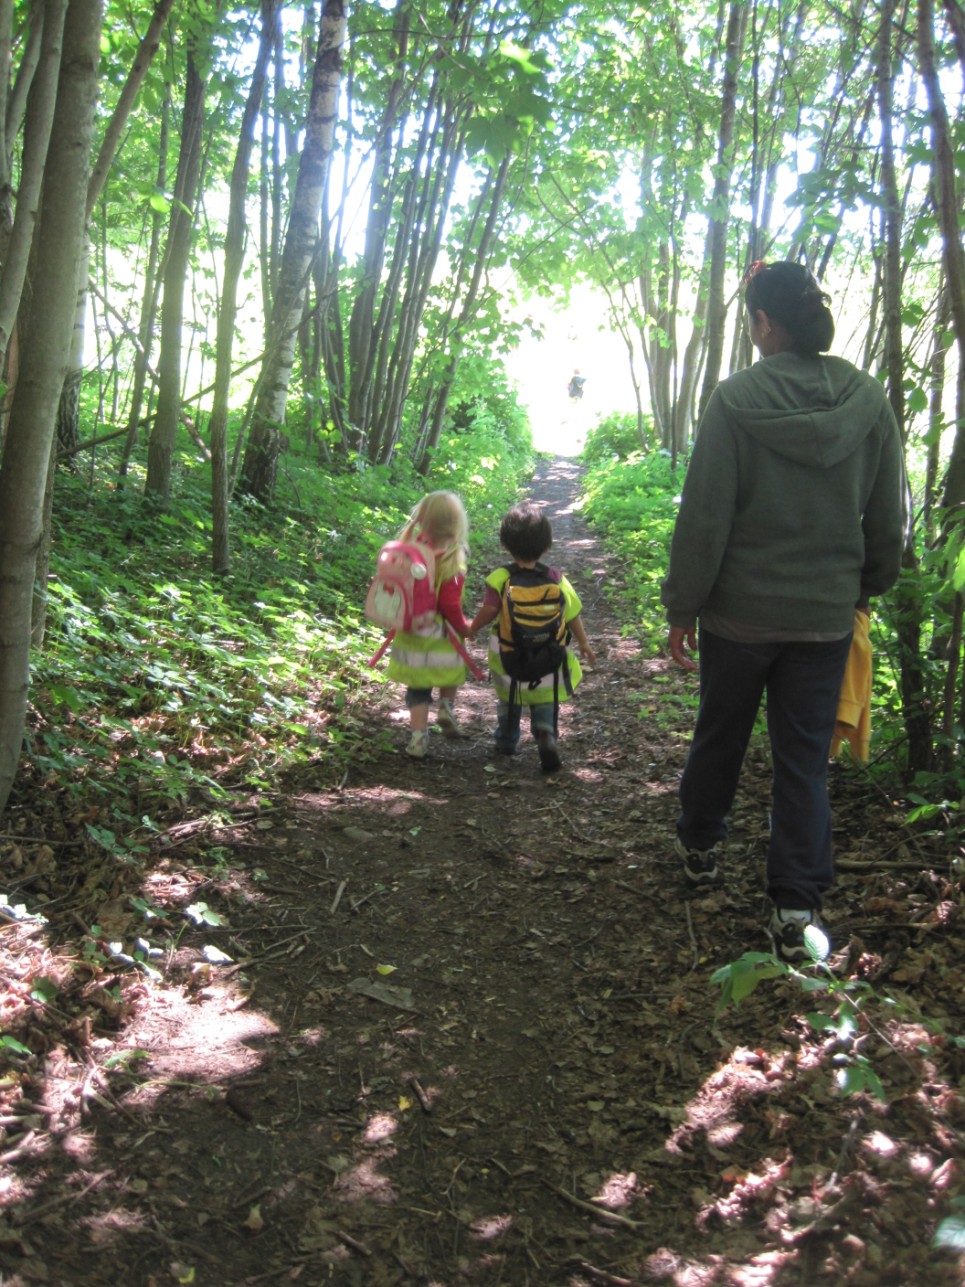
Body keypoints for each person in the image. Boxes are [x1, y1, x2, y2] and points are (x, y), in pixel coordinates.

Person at [661, 260, 907, 963]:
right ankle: (795, 904)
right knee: (802, 761)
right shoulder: (866, 398)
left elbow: (705, 517)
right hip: (824, 616)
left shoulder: (736, 399)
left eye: (750, 321)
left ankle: (699, 846)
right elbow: (886, 516)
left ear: (766, 323)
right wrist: (867, 586)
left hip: (739, 614)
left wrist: (683, 605)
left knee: (721, 731)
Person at [469, 501, 596, 771]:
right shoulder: (556, 578)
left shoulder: (500, 578)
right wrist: (583, 643)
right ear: (546, 545)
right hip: (549, 653)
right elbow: (572, 614)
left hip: (508, 653)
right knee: (544, 698)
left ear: (505, 543)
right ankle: (546, 733)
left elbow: (489, 610)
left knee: (509, 698)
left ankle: (506, 740)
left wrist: (471, 627)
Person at [386, 491, 473, 759]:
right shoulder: (451, 559)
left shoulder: (410, 551)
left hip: (412, 629)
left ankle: (418, 738)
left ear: (423, 520)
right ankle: (447, 706)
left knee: (418, 687)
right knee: (452, 669)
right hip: (441, 632)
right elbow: (450, 604)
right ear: (456, 524)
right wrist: (463, 627)